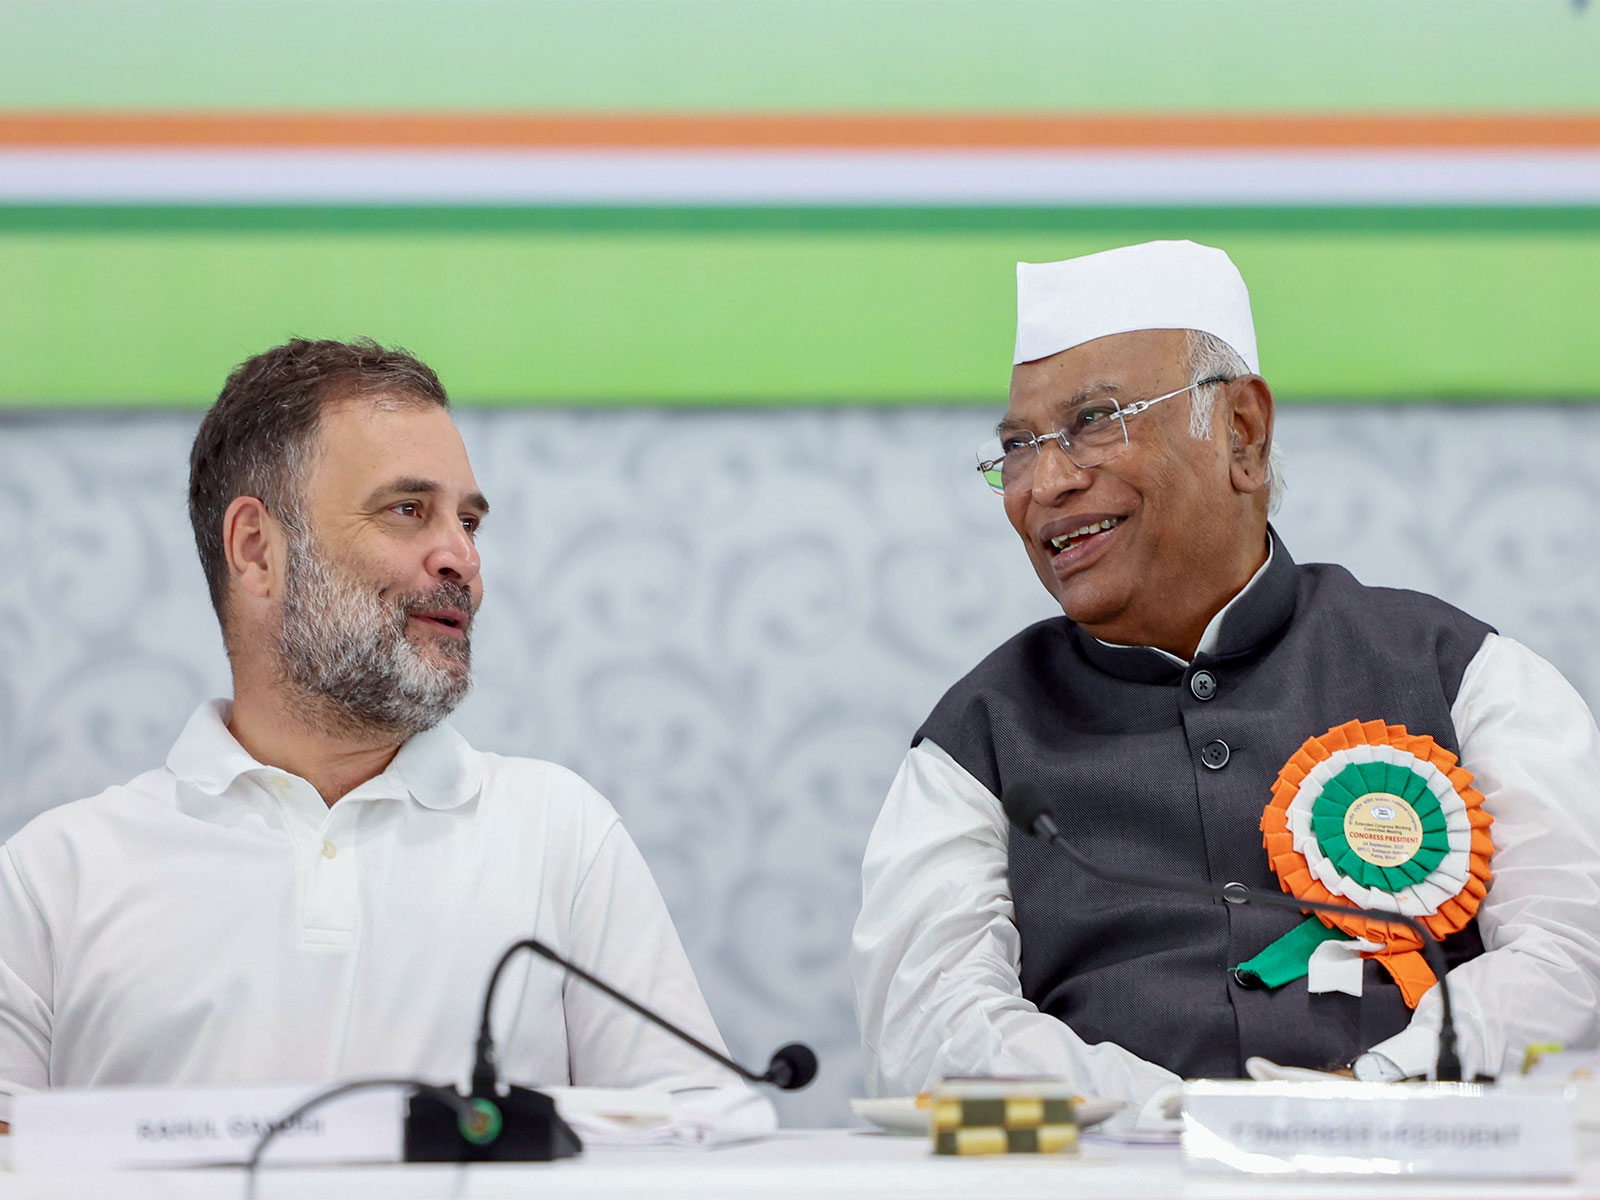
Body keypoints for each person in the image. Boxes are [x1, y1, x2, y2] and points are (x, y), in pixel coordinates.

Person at [851, 240, 1600, 1114]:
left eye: (1095, 421)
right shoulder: (975, 739)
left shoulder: (1460, 671)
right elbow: (925, 1028)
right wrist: (1185, 1123)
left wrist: (1375, 1089)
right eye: (1018, 447)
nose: (1044, 483)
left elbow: (1571, 947)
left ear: (1242, 433)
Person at [0, 339, 741, 1123]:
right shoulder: (55, 878)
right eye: (407, 511)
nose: (461, 556)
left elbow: (700, 1137)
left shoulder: (561, 835)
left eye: (469, 521)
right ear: (256, 549)